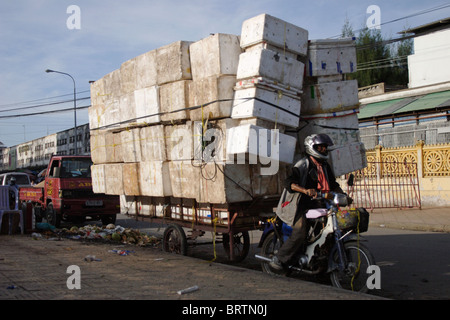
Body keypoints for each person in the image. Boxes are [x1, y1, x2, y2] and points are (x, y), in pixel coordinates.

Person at [270, 133, 343, 271]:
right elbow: (289, 183)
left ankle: (321, 264)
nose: (323, 150)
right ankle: (279, 258)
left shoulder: (325, 166)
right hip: (299, 206)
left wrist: (343, 195)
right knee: (300, 232)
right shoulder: (303, 164)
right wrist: (305, 190)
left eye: (324, 148)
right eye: (320, 147)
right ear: (312, 147)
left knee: (327, 231)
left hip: (318, 205)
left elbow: (333, 185)